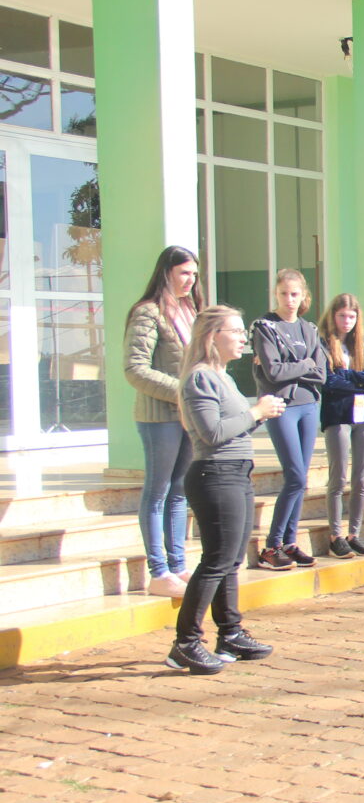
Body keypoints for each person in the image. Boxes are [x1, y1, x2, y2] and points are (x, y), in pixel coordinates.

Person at [166, 306, 286, 674]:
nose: (241, 338)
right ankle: (185, 644)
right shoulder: (200, 378)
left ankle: (230, 633)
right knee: (217, 560)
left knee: (232, 560)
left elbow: (232, 429)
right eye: (233, 331)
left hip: (235, 472)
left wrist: (259, 414)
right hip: (214, 476)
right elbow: (212, 433)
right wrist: (256, 412)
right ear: (211, 337)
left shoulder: (223, 377)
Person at [124, 245, 206, 598]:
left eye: (194, 273)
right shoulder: (148, 312)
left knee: (179, 491)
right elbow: (135, 369)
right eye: (184, 272)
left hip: (186, 415)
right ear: (167, 272)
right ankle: (158, 571)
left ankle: (177, 565)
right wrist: (182, 390)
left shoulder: (191, 311)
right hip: (160, 417)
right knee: (157, 491)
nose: (190, 280)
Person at [251, 269, 328, 570]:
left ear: (303, 296)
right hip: (280, 405)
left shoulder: (309, 329)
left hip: (309, 404)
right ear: (276, 294)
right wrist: (305, 363)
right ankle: (272, 546)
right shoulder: (265, 327)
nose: (289, 300)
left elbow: (321, 373)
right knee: (294, 476)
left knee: (302, 478)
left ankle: (290, 541)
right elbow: (273, 372)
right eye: (283, 294)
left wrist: (296, 365)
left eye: (294, 294)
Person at [317, 294, 364, 558]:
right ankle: (335, 535)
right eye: (342, 315)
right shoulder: (323, 344)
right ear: (333, 316)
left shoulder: (363, 346)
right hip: (338, 414)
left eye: (352, 316)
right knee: (338, 477)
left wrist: (352, 376)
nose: (347, 321)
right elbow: (329, 382)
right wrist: (359, 381)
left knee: (361, 478)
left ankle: (355, 533)